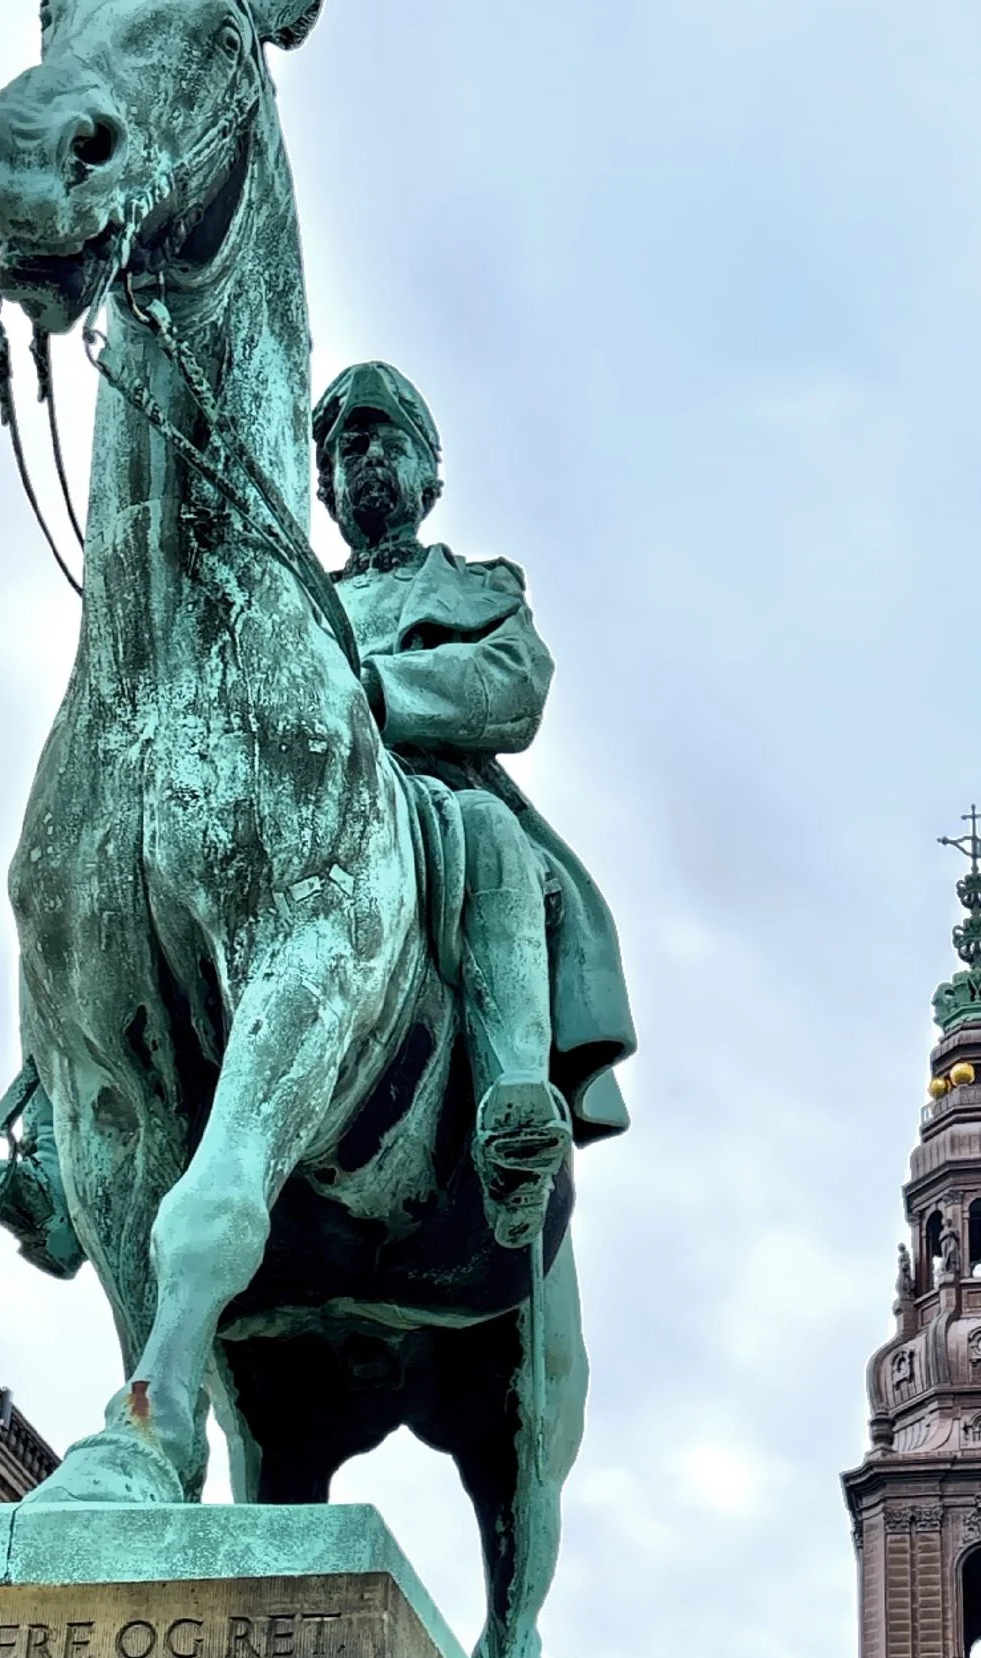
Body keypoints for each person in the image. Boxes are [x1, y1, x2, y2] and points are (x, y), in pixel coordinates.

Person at [313, 362, 636, 1252]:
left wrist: (380, 689)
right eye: (348, 445)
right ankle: (62, 1150)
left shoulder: (479, 589)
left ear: (430, 478)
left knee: (492, 835)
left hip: (432, 802)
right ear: (326, 487)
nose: (366, 456)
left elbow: (513, 686)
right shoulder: (290, 597)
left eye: (388, 439)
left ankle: (513, 1104)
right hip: (300, 809)